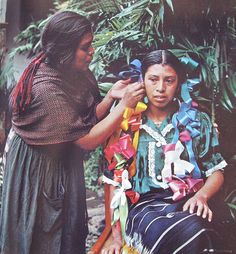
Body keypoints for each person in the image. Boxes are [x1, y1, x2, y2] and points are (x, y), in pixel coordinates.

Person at [0, 11, 145, 254]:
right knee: (42, 236)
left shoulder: (74, 71)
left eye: (91, 45)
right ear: (64, 50)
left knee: (68, 233)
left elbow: (83, 121)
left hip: (61, 161)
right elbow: (86, 140)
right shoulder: (46, 90)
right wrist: (123, 106)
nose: (92, 52)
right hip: (38, 169)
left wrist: (111, 97)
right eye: (85, 47)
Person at [102, 50, 233, 254]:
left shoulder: (197, 121)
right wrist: (116, 238)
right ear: (141, 81)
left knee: (201, 228)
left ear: (179, 83)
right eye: (153, 80)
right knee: (170, 231)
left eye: (169, 80)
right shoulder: (125, 124)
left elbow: (215, 171)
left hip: (187, 201)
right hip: (145, 209)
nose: (160, 88)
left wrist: (202, 196)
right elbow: (114, 185)